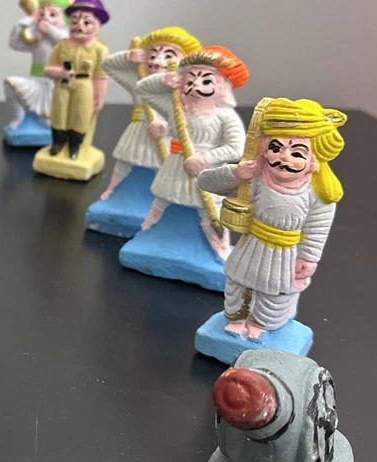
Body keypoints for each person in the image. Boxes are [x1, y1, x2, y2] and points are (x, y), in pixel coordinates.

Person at [197, 99, 346, 338]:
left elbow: (317, 228)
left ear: (314, 161)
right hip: (252, 245)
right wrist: (236, 173)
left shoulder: (318, 195)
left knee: (276, 293)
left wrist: (308, 258)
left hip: (286, 254)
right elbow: (205, 182)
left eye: (296, 152)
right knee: (238, 283)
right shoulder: (255, 179)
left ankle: (261, 324)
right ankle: (236, 318)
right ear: (265, 149)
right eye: (276, 148)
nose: (283, 157)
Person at [135, 46, 248, 258]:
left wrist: (206, 159)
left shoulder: (225, 116)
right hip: (176, 165)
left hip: (206, 172)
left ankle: (220, 250)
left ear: (223, 87)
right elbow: (143, 89)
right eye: (190, 79)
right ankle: (146, 233)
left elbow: (237, 147)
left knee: (209, 211)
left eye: (206, 80)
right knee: (161, 201)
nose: (196, 85)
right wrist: (163, 80)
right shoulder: (175, 109)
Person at [99, 27, 202, 199]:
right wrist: (127, 57)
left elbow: (192, 119)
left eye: (168, 56)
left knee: (163, 165)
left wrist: (166, 128)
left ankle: (160, 198)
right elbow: (107, 65)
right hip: (138, 131)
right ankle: (112, 189)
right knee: (124, 162)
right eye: (153, 55)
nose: (157, 61)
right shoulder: (139, 81)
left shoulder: (186, 90)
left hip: (167, 136)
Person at [43, 0, 110, 159]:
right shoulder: (62, 46)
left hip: (84, 85)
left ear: (97, 25)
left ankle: (75, 146)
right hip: (63, 84)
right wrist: (59, 72)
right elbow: (48, 69)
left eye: (87, 22)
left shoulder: (99, 50)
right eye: (74, 21)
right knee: (59, 114)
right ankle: (58, 143)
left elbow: (101, 76)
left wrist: (99, 97)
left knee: (80, 114)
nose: (79, 26)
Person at [3, 0, 70, 131]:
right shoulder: (38, 38)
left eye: (52, 14)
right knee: (9, 83)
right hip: (37, 81)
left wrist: (50, 30)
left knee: (47, 123)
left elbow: (65, 46)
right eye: (42, 14)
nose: (46, 18)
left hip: (57, 84)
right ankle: (18, 116)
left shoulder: (68, 38)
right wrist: (26, 23)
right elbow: (14, 44)